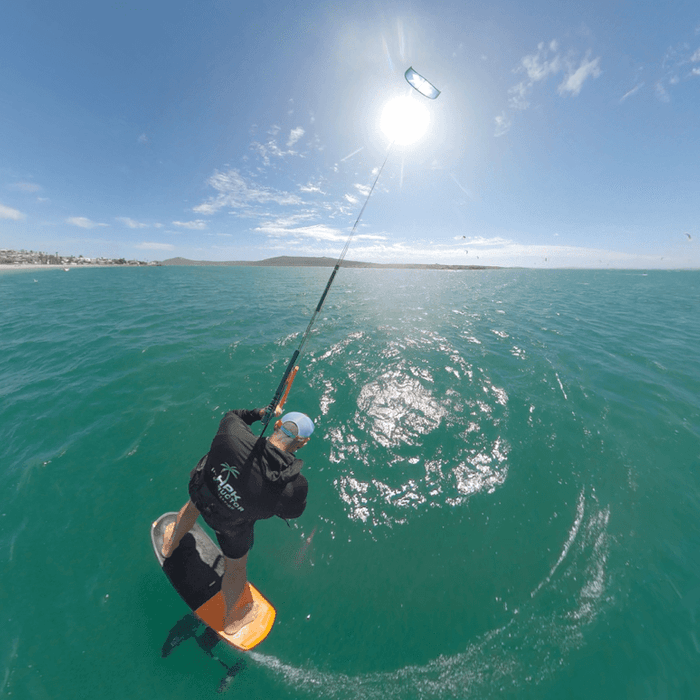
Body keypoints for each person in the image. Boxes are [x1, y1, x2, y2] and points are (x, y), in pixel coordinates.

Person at [161, 405, 314, 635]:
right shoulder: (292, 486)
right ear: (302, 443)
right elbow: (293, 512)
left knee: (193, 505)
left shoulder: (232, 432)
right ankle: (233, 619)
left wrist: (260, 413)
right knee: (235, 568)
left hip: (202, 493)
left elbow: (234, 414)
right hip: (231, 527)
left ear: (277, 424)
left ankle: (171, 544)